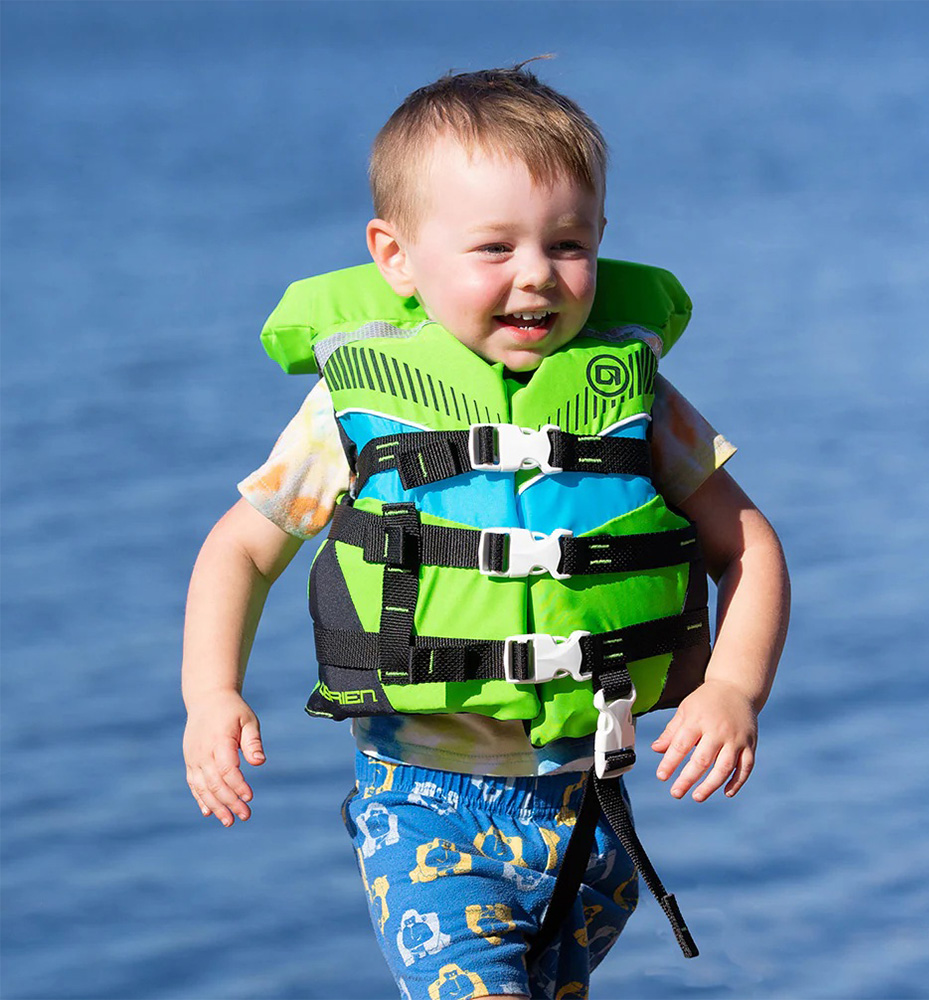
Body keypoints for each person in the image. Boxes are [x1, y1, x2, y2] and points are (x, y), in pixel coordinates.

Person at [182, 63, 790, 1000]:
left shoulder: (630, 397)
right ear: (397, 257)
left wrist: (736, 690)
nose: (538, 275)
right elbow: (242, 548)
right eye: (494, 248)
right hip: (425, 810)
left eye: (569, 242)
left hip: (588, 811)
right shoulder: (353, 413)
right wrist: (209, 696)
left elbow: (745, 541)